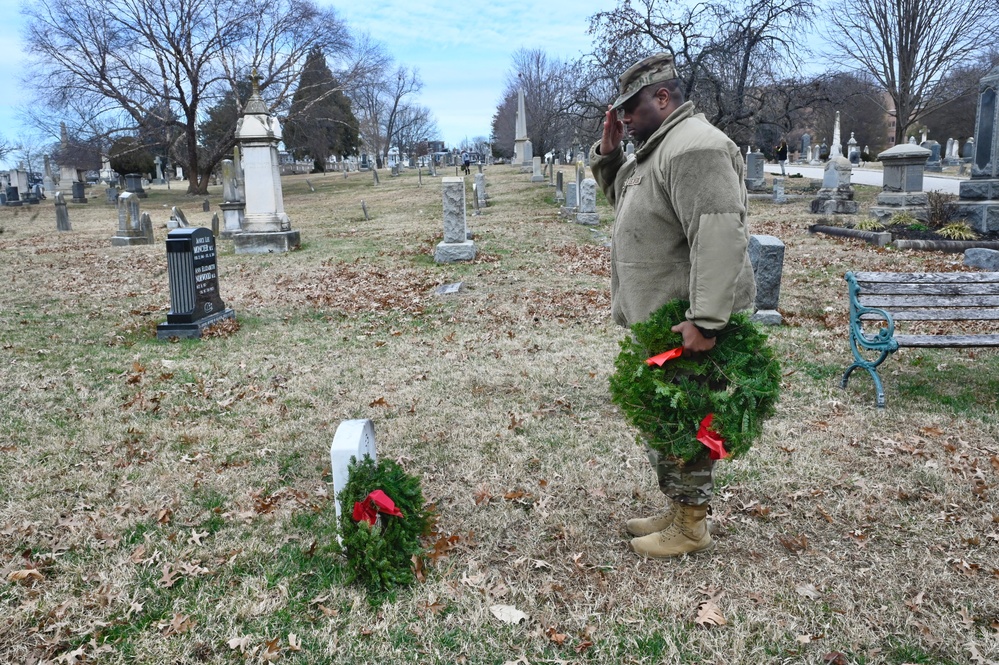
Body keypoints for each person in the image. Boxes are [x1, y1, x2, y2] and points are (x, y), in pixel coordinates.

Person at [590, 53, 756, 559]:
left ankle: (691, 524)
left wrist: (705, 321)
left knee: (690, 420)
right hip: (662, 321)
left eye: (629, 110)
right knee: (668, 418)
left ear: (663, 98)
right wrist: (610, 152)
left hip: (687, 323)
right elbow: (624, 199)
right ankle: (678, 507)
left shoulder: (694, 149)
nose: (623, 119)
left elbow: (718, 234)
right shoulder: (657, 150)